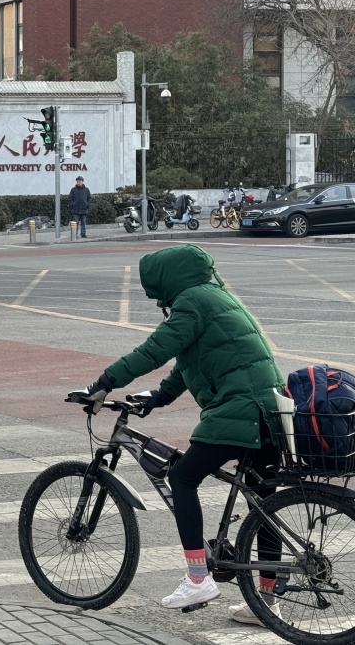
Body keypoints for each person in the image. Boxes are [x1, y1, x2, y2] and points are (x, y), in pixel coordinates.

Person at [74, 244, 284, 622]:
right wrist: (158, 397)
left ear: (169, 280)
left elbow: (157, 349)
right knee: (263, 504)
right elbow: (190, 359)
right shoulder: (215, 295)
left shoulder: (191, 302)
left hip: (240, 409)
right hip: (269, 411)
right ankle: (267, 604)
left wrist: (103, 383)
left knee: (182, 478)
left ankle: (199, 576)